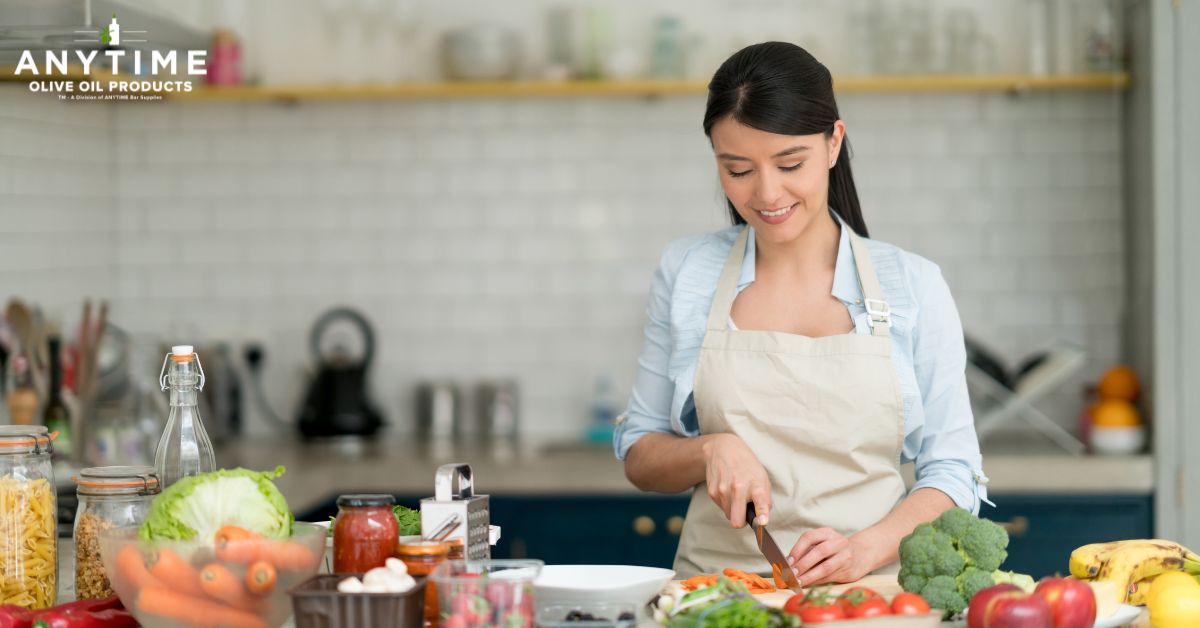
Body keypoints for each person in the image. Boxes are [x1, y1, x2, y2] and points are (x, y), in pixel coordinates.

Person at [612, 42, 988, 585]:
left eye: (791, 164)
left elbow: (954, 472)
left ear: (833, 142)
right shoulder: (688, 271)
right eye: (737, 169)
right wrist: (709, 450)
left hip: (870, 598)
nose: (767, 193)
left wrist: (866, 549)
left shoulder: (913, 285)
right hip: (719, 599)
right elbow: (641, 455)